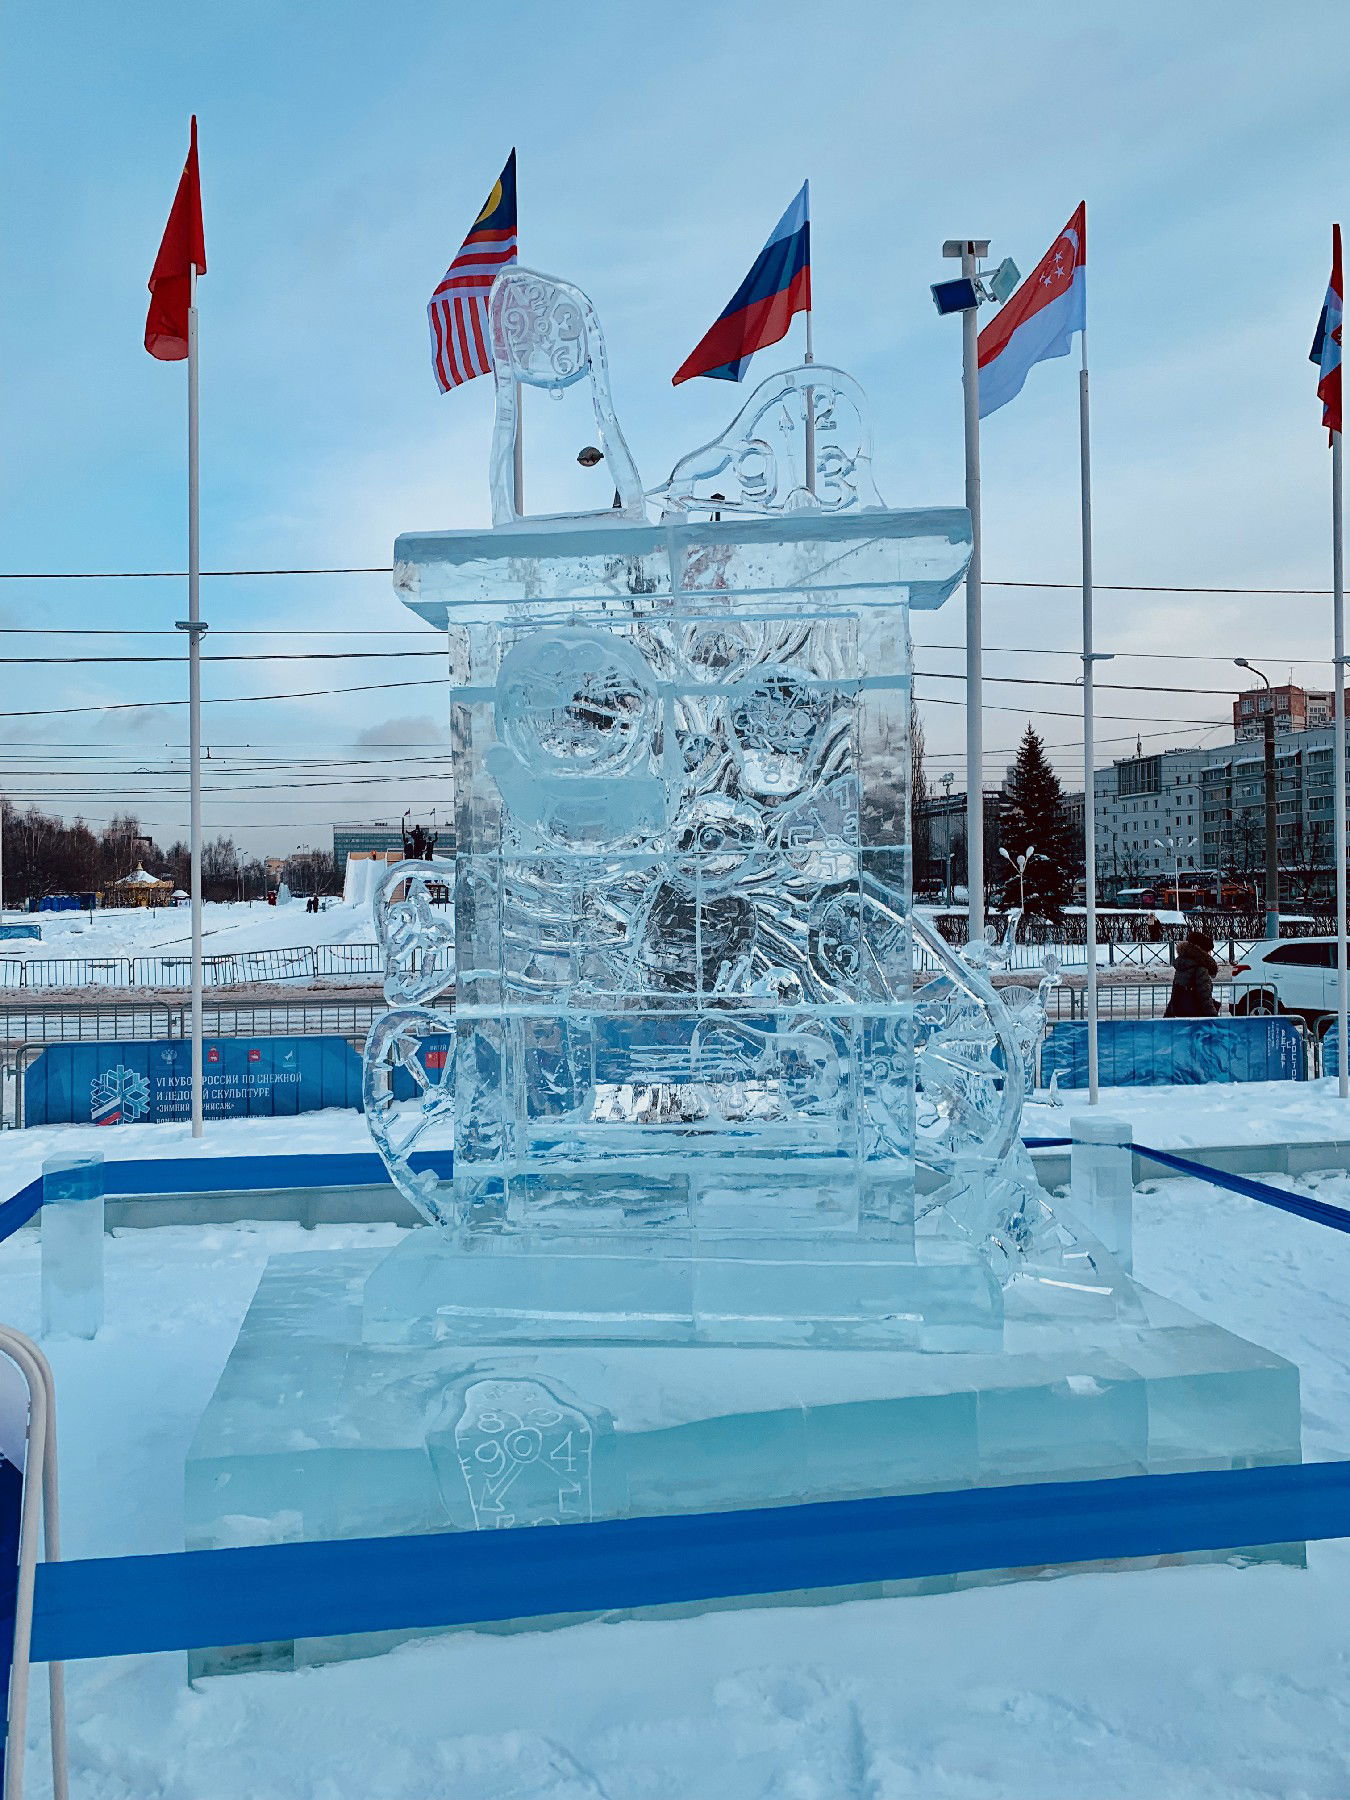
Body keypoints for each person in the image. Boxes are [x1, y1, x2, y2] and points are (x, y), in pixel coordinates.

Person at [1165, 928, 1219, 1018]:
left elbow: (1176, 992)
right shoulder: (1200, 968)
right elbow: (1205, 998)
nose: (1210, 954)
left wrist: (1168, 1015)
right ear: (1203, 951)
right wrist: (1213, 1018)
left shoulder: (1183, 964)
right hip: (1196, 1017)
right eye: (1209, 951)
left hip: (1181, 1014)